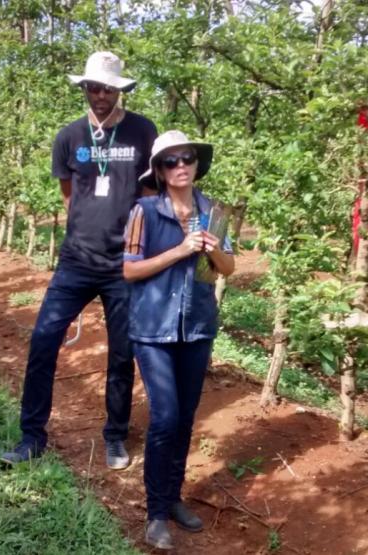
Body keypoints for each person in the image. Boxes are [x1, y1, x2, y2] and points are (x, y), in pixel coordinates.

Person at [1, 51, 157, 469]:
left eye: (107, 88)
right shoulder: (69, 136)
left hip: (123, 265)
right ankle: (32, 436)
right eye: (93, 87)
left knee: (122, 352)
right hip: (76, 262)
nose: (100, 95)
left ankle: (115, 436)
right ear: (84, 89)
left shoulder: (143, 132)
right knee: (43, 341)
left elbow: (149, 196)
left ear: (119, 90)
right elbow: (69, 196)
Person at [123, 130, 235, 549]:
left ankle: (173, 498)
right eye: (170, 161)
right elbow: (129, 271)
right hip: (152, 329)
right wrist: (179, 250)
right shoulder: (144, 212)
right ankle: (154, 512)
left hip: (197, 327)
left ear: (196, 163)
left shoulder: (214, 212)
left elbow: (228, 268)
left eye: (186, 158)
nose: (180, 165)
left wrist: (211, 249)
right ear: (160, 170)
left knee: (185, 418)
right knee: (166, 417)